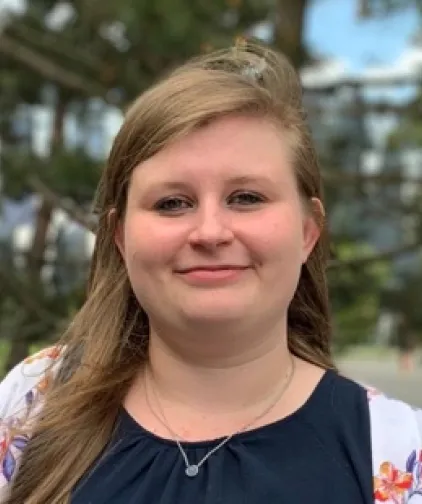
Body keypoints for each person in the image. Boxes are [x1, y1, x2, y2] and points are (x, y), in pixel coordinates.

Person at [0, 42, 421, 504]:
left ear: (308, 232)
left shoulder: (395, 453)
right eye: (172, 203)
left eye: (246, 198)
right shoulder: (33, 404)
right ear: (120, 236)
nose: (210, 232)